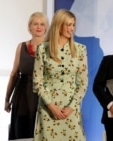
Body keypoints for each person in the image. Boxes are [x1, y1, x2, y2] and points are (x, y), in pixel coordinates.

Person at [32, 9, 88, 140]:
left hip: (71, 109)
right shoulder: (42, 49)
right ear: (58, 25)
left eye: (73, 25)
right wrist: (51, 106)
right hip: (48, 108)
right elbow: (37, 81)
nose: (72, 29)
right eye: (68, 25)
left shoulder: (80, 50)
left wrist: (72, 107)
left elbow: (83, 83)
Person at [4, 12, 49, 140]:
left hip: (43, 95)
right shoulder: (21, 46)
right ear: (30, 27)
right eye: (35, 24)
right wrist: (7, 98)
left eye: (42, 24)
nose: (39, 27)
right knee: (21, 131)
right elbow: (14, 74)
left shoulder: (51, 47)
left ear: (46, 27)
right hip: (22, 94)